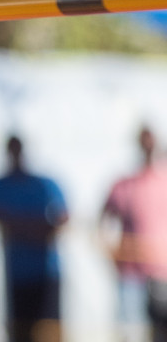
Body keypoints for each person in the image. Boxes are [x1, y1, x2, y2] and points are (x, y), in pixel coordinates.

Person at [0, 135, 68, 342]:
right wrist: (35, 227)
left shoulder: (45, 184)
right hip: (17, 273)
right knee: (20, 332)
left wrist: (22, 226)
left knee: (48, 330)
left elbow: (62, 218)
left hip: (47, 274)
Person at [102, 127, 167, 342]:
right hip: (131, 273)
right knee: (131, 331)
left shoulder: (163, 181)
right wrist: (112, 253)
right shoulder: (124, 185)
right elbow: (103, 220)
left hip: (160, 272)